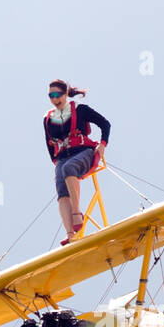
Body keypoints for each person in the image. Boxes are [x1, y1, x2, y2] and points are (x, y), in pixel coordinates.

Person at [44, 80, 110, 244]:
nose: (55, 99)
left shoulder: (80, 109)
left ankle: (76, 213)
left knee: (69, 168)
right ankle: (70, 235)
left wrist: (102, 145)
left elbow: (105, 124)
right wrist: (57, 160)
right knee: (61, 187)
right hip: (62, 158)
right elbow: (49, 145)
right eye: (51, 96)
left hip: (84, 153)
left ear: (65, 94)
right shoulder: (48, 118)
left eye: (57, 95)